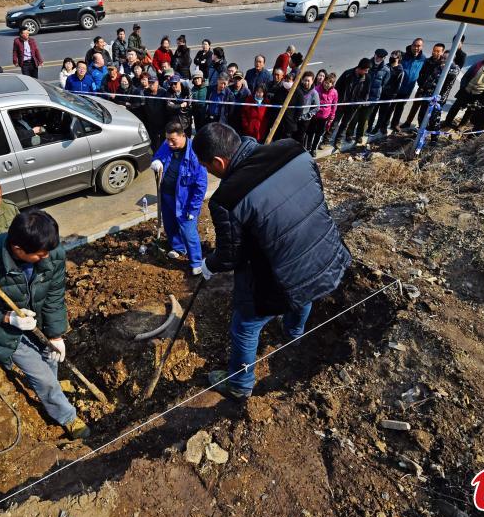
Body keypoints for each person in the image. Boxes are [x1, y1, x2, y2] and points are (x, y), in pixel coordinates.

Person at [194, 123, 351, 399]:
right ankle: (293, 332)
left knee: (246, 325)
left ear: (219, 161)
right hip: (323, 250)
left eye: (208, 167)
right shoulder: (293, 150)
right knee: (306, 287)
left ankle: (240, 385)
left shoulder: (227, 198)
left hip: (284, 272)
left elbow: (232, 255)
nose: (209, 172)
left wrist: (211, 264)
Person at [0, 210, 90, 440]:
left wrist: (55, 335)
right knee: (42, 378)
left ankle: (52, 385)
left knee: (50, 359)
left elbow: (54, 295)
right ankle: (67, 417)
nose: (47, 257)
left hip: (38, 321)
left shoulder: (51, 254)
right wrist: (6, 318)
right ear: (18, 249)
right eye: (40, 254)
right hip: (2, 330)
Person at [150, 123, 207, 275]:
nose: (169, 143)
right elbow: (158, 156)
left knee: (188, 230)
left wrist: (193, 209)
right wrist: (156, 162)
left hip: (184, 202)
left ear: (183, 136)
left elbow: (201, 186)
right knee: (170, 225)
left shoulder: (195, 154)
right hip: (166, 195)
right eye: (167, 139)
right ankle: (178, 247)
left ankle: (196, 262)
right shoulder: (167, 144)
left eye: (173, 140)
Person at [445, 48, 484, 128]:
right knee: (455, 107)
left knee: (470, 111)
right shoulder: (478, 65)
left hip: (478, 94)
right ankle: (447, 122)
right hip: (466, 90)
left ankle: (461, 126)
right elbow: (466, 76)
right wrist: (463, 87)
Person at [401, 43, 445, 131]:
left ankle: (422, 126)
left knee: (425, 110)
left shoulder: (442, 65)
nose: (435, 53)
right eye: (434, 50)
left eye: (437, 51)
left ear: (442, 52)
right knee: (415, 106)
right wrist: (421, 84)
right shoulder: (427, 61)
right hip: (422, 89)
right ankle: (408, 122)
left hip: (432, 92)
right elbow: (420, 73)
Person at [330, 58, 372, 150]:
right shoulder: (347, 74)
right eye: (365, 70)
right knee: (334, 123)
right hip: (341, 105)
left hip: (353, 107)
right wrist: (339, 101)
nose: (367, 72)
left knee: (345, 124)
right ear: (360, 68)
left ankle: (338, 141)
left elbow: (366, 94)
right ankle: (325, 140)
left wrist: (360, 103)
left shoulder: (367, 78)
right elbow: (337, 88)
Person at [390, 38, 426, 132]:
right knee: (390, 106)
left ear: (422, 47)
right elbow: (393, 66)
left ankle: (395, 124)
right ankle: (383, 125)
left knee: (400, 107)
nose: (416, 48)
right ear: (411, 45)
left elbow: (423, 73)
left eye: (419, 46)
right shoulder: (403, 56)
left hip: (408, 88)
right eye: (415, 45)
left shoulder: (423, 59)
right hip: (397, 87)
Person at [371, 50, 405, 140]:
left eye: (394, 57)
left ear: (399, 58)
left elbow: (398, 85)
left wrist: (392, 95)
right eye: (391, 56)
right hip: (380, 92)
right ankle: (370, 127)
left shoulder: (400, 70)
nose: (392, 58)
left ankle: (377, 128)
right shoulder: (386, 66)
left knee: (383, 113)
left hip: (389, 95)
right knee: (374, 111)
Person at [360, 49, 391, 141]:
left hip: (374, 97)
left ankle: (365, 130)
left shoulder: (386, 70)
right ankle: (353, 131)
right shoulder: (367, 65)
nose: (378, 58)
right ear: (374, 55)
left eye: (381, 57)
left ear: (384, 58)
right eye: (377, 56)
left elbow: (384, 83)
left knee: (370, 115)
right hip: (362, 94)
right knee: (358, 114)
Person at [309, 72, 338, 155]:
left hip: (324, 117)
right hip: (314, 115)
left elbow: (334, 105)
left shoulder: (334, 92)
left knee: (318, 134)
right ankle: (308, 147)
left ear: (332, 84)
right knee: (311, 132)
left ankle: (313, 149)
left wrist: (331, 117)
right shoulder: (316, 89)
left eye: (328, 83)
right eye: (325, 82)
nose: (326, 85)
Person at [292, 71, 320, 147]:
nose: (306, 82)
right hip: (295, 117)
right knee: (292, 136)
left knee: (300, 138)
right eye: (305, 80)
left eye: (308, 81)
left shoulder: (314, 93)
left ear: (312, 81)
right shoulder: (297, 89)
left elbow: (317, 107)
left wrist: (308, 115)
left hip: (305, 120)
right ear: (302, 80)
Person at [141, 75, 168, 150]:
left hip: (162, 121)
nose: (151, 84)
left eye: (153, 83)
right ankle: (155, 154)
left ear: (157, 83)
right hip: (151, 121)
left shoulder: (163, 92)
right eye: (150, 82)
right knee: (153, 139)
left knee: (163, 140)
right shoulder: (146, 92)